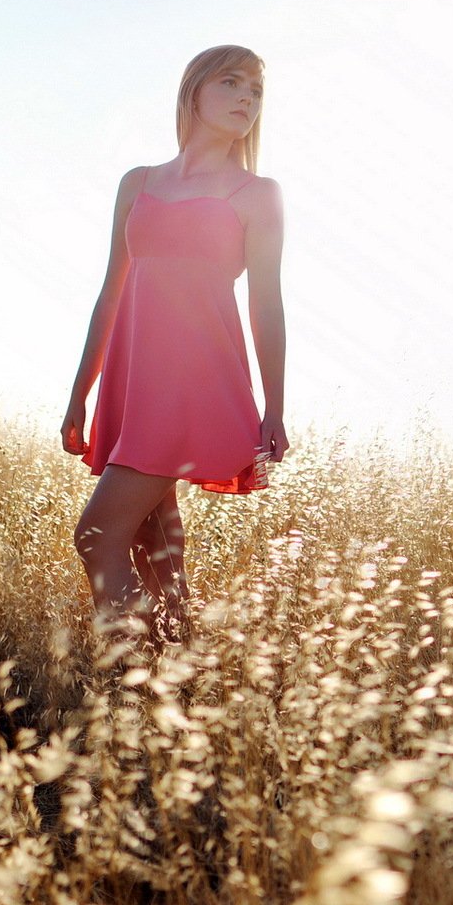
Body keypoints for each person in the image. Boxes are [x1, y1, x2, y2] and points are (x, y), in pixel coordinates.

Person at [61, 44, 289, 649]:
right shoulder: (137, 183)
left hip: (197, 381)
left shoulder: (257, 194)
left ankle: (128, 679)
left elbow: (266, 303)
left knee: (97, 535)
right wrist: (80, 393)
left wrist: (275, 407)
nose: (247, 98)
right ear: (193, 91)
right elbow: (112, 290)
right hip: (134, 382)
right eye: (233, 83)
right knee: (151, 537)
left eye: (257, 90)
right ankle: (177, 671)